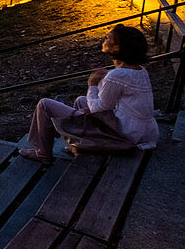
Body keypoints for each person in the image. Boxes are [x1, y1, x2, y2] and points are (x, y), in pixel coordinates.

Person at [21, 24, 159, 164]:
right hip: (142, 131)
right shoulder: (140, 70)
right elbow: (112, 100)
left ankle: (43, 154)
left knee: (44, 105)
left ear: (117, 48)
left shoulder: (117, 75)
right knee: (81, 100)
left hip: (124, 132)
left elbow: (98, 108)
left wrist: (92, 84)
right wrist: (103, 81)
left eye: (108, 37)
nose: (104, 39)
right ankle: (77, 143)